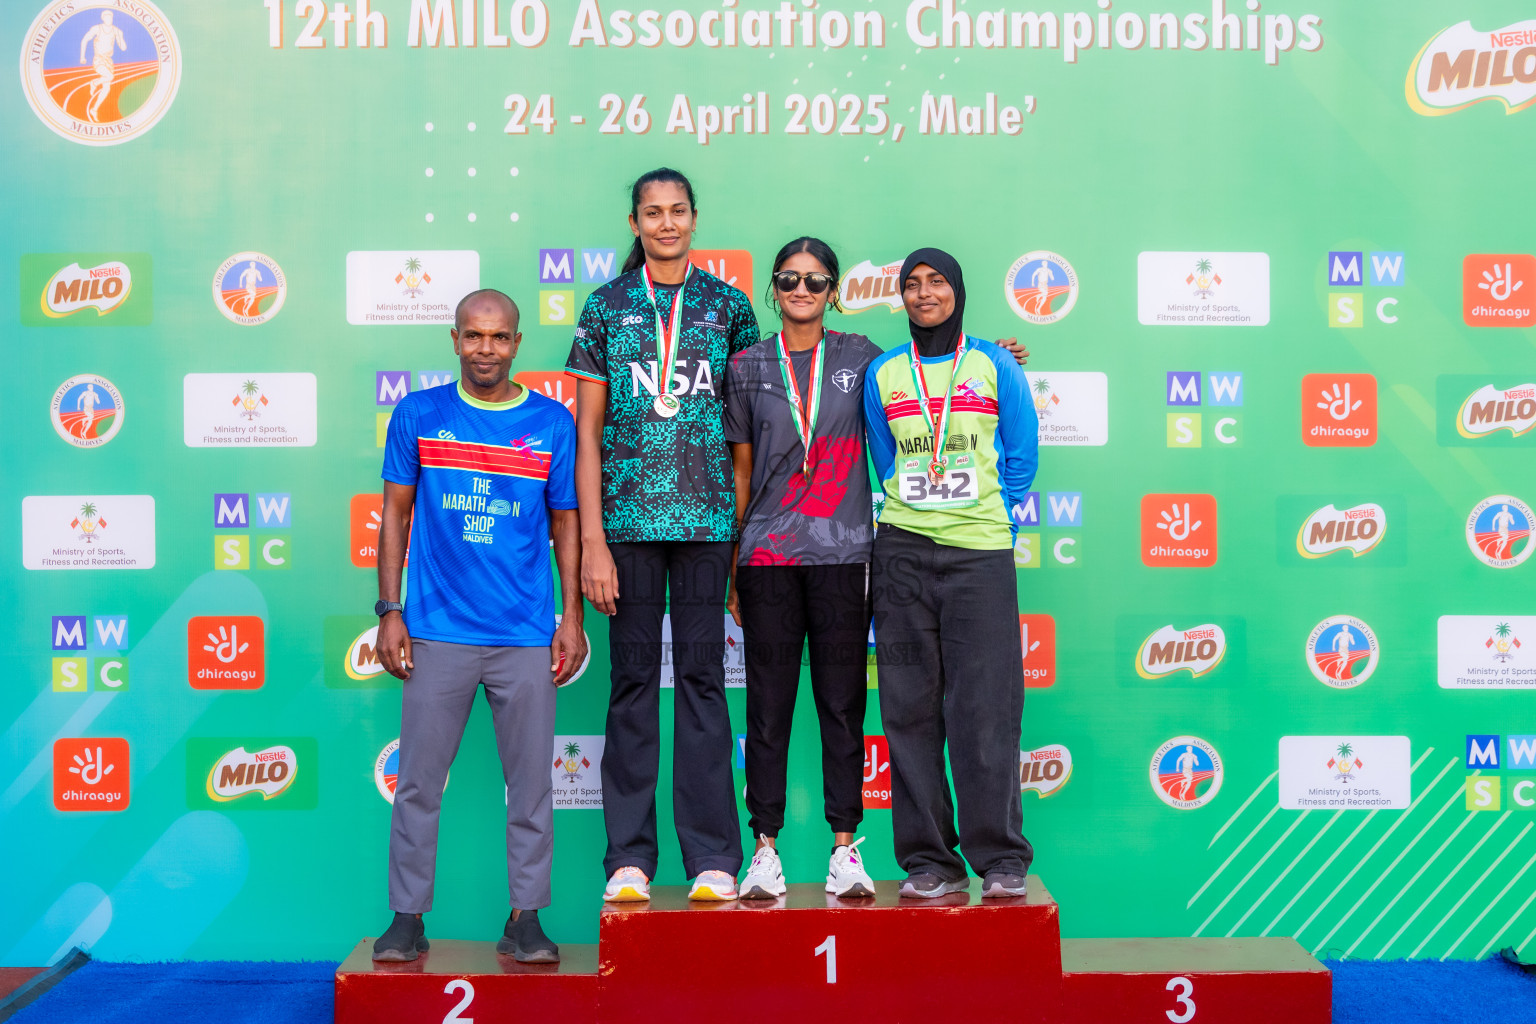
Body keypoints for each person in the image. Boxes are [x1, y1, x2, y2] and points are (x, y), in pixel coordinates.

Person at [371, 289, 587, 963]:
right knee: (418, 787)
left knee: (530, 788)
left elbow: (567, 526)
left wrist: (571, 616)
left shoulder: (551, 422)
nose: (485, 348)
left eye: (498, 337)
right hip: (437, 632)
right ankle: (407, 917)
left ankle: (525, 920)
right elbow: (395, 518)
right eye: (473, 335)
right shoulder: (420, 413)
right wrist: (389, 610)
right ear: (455, 339)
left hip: (524, 635)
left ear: (518, 343)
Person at [565, 168, 759, 903]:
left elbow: (743, 438)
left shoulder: (729, 307)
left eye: (678, 211)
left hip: (709, 527)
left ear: (695, 219)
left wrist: (739, 546)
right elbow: (586, 434)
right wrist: (592, 543)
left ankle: (713, 860)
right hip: (629, 529)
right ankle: (630, 862)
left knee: (706, 684)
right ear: (636, 221)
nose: (667, 223)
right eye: (653, 212)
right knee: (633, 686)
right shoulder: (607, 307)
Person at [864, 248, 1039, 899]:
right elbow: (886, 464)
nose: (924, 293)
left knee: (986, 709)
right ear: (901, 298)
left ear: (957, 291)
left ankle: (1000, 858)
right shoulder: (885, 373)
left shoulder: (994, 364)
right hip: (903, 554)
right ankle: (929, 861)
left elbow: (1021, 457)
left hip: (980, 556)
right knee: (908, 710)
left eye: (936, 281)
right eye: (911, 284)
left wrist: (991, 524)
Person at [723, 238, 882, 900]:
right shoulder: (747, 365)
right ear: (774, 286)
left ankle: (845, 851)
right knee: (768, 706)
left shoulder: (864, 357)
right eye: (789, 279)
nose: (801, 290)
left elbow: (923, 397)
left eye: (815, 281)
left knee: (843, 705)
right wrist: (733, 563)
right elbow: (739, 473)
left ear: (834, 291)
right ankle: (765, 849)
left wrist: (995, 359)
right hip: (767, 557)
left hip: (845, 555)